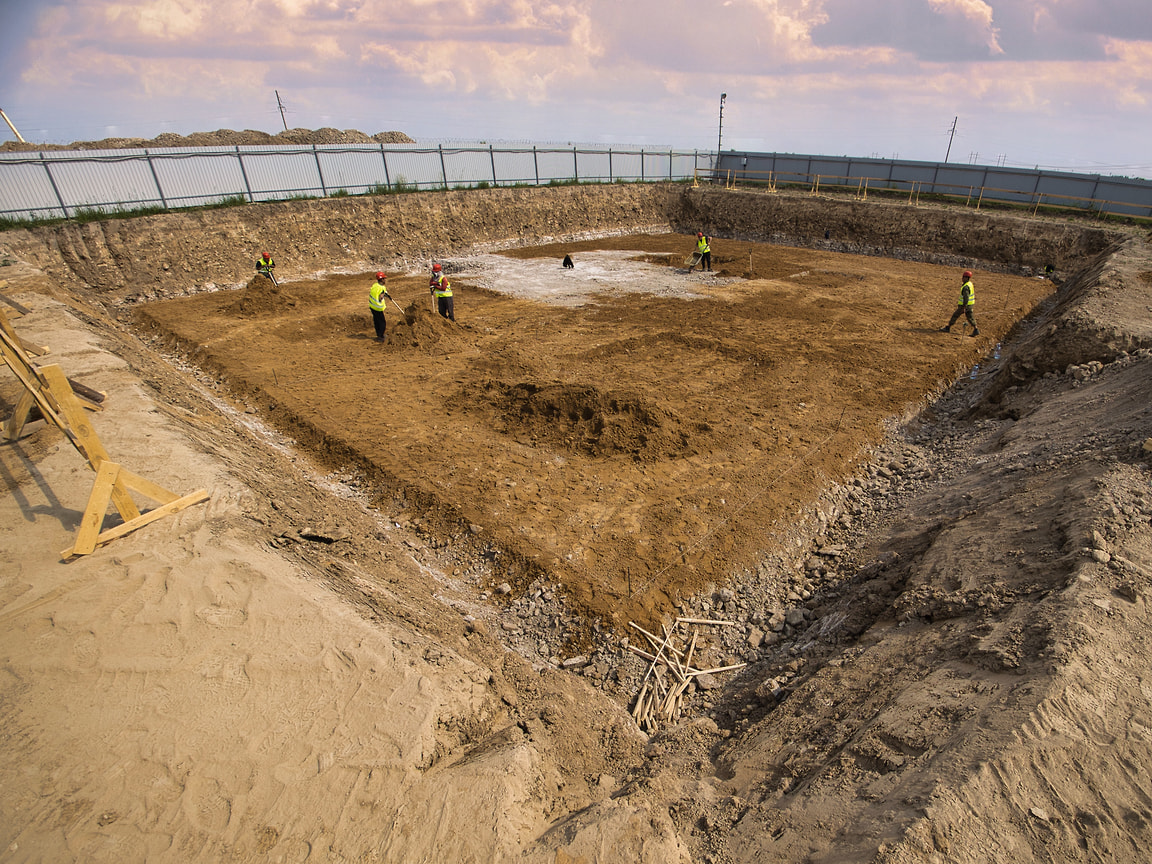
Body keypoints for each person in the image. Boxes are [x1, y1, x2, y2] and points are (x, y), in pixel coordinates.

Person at [941, 270, 979, 336]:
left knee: (955, 315)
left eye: (963, 277)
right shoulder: (970, 284)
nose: (962, 278)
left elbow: (966, 298)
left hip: (964, 305)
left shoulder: (966, 287)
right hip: (970, 305)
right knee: (970, 317)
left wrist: (963, 307)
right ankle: (976, 329)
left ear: (967, 278)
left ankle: (948, 327)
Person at [369, 272, 391, 342]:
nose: (385, 280)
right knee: (382, 323)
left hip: (372, 306)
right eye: (384, 279)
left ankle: (378, 334)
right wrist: (384, 295)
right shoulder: (382, 288)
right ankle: (381, 336)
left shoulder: (375, 285)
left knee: (376, 321)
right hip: (378, 307)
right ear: (381, 279)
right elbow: (380, 297)